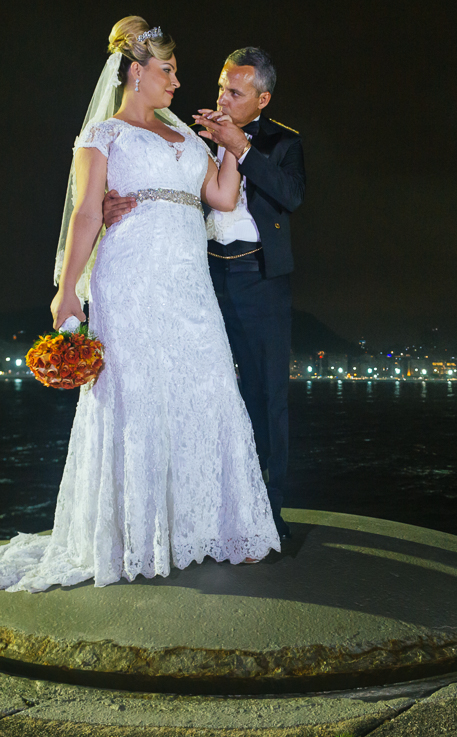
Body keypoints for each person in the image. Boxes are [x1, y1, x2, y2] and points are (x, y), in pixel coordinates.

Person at [0, 17, 280, 593]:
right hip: (129, 279)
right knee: (135, 400)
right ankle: (135, 535)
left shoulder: (186, 136)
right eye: (169, 71)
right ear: (136, 73)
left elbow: (221, 196)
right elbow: (87, 213)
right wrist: (66, 289)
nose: (178, 82)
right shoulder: (101, 138)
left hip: (189, 284)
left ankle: (219, 528)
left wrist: (233, 145)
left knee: (208, 389)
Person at [103, 47, 305, 539]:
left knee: (265, 394)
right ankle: (206, 509)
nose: (222, 99)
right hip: (201, 276)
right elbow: (162, 186)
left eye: (235, 93)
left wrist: (242, 147)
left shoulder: (282, 142)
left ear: (262, 100)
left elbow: (291, 195)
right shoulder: (190, 138)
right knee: (204, 392)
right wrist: (115, 200)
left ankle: (267, 514)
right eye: (220, 88)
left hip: (259, 277)